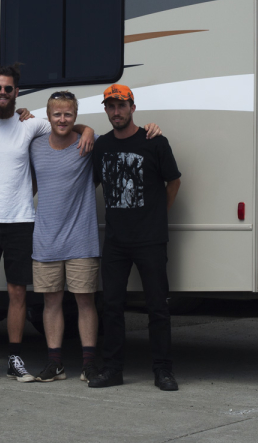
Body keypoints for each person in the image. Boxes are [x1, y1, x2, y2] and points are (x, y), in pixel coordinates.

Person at [0, 64, 94, 382]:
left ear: (16, 92)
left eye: (8, 88)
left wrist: (87, 129)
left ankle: (14, 359)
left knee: (18, 293)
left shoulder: (31, 124)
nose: (3, 93)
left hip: (22, 221)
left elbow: (63, 124)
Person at [88, 84, 182, 392]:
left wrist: (157, 214)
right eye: (111, 106)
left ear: (132, 107)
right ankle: (113, 369)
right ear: (106, 110)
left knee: (158, 307)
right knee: (112, 306)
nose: (116, 111)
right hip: (116, 240)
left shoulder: (154, 141)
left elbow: (174, 181)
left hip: (150, 240)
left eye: (121, 105)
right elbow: (93, 183)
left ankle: (163, 370)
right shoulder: (102, 146)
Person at [29, 91, 102, 383]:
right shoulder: (35, 146)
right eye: (57, 114)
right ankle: (55, 363)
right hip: (45, 239)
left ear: (75, 116)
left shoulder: (87, 145)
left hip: (81, 239)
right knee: (51, 303)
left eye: (68, 114)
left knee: (86, 302)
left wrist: (88, 130)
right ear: (48, 117)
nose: (62, 119)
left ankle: (89, 364)